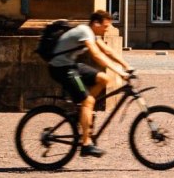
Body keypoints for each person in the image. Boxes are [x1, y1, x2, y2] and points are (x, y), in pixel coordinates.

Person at [48, 10, 134, 158]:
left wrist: (127, 65)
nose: (107, 29)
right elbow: (97, 55)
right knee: (88, 100)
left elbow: (107, 50)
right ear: (96, 23)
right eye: (105, 26)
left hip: (71, 65)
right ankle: (86, 144)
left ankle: (84, 109)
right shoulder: (84, 31)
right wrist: (119, 72)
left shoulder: (92, 33)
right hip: (60, 68)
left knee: (104, 79)